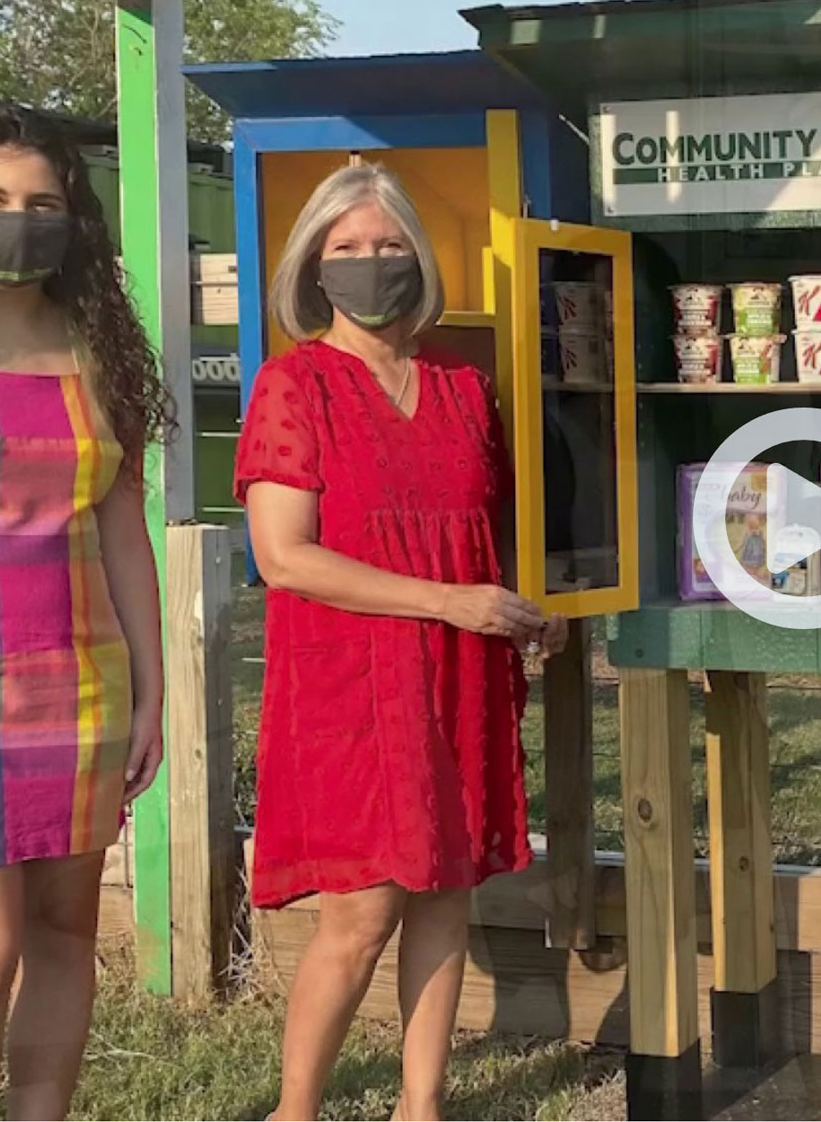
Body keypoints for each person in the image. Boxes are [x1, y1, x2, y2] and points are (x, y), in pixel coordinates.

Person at [236, 162, 566, 1122]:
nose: (370, 263)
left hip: (460, 674)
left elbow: (490, 533)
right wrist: (451, 602)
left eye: (387, 245)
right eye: (347, 248)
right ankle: (296, 1110)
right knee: (363, 912)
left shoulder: (466, 389)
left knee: (445, 896)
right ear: (313, 264)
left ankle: (422, 1106)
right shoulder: (293, 386)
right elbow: (285, 558)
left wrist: (517, 612)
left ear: (418, 258)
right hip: (349, 682)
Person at [0, 104, 172, 1121]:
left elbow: (121, 530)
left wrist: (150, 693)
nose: (18, 219)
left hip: (79, 687)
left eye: (43, 203)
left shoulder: (100, 349)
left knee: (63, 935)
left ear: (76, 219)